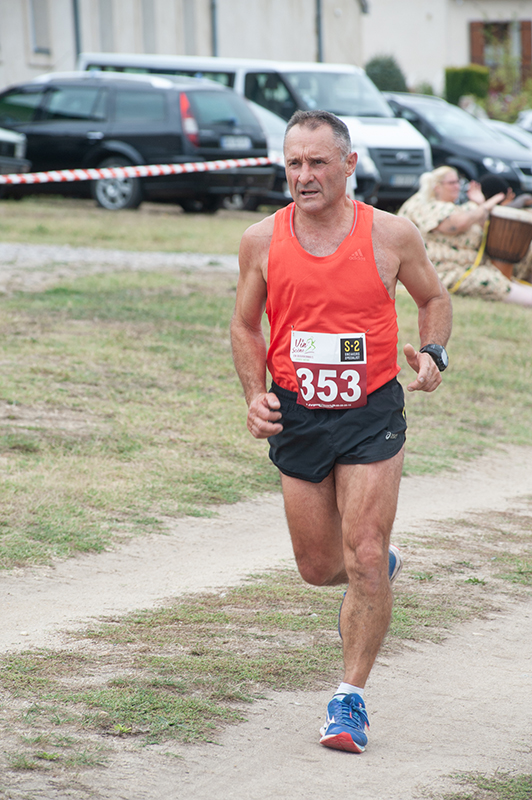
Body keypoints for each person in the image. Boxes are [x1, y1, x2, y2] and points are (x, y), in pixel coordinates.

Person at [230, 110, 452, 753]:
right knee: (319, 566)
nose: (304, 175)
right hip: (299, 415)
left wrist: (433, 355)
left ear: (349, 165)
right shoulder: (260, 240)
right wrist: (254, 396)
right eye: (294, 163)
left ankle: (349, 700)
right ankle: (373, 572)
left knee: (364, 553)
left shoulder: (391, 234)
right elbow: (245, 325)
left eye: (318, 162)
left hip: (370, 412)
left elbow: (434, 299)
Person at [398, 165, 532, 306]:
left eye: (458, 182)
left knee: (506, 277)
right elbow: (457, 224)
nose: (457, 186)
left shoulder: (457, 208)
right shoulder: (423, 205)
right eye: (452, 183)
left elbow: (483, 225)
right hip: (442, 272)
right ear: (437, 187)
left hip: (472, 268)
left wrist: (480, 203)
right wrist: (488, 203)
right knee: (491, 282)